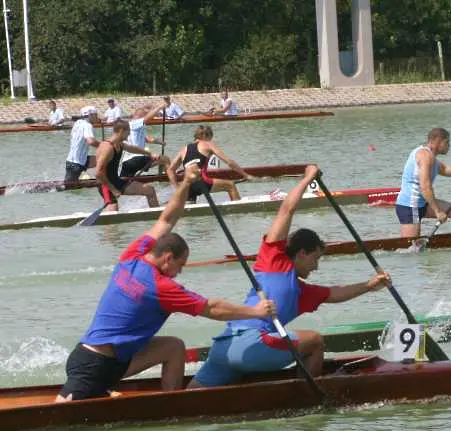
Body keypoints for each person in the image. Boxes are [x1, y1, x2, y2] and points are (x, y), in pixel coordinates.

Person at [55, 163, 276, 402]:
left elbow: (167, 218)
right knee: (58, 414)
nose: (178, 273)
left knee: (173, 347)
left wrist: (186, 183)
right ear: (168, 258)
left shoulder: (133, 255)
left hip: (114, 361)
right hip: (93, 366)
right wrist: (255, 310)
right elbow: (213, 308)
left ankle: (172, 404)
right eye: (180, 267)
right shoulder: (161, 287)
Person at [187, 165, 391, 388]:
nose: (316, 266)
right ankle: (304, 397)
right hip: (255, 344)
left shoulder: (302, 292)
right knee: (314, 341)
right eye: (316, 258)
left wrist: (370, 285)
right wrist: (307, 178)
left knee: (192, 393)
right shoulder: (274, 259)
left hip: (224, 348)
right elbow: (286, 210)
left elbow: (336, 293)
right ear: (301, 253)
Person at [395, 128, 451, 237]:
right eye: (447, 142)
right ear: (438, 141)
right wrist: (437, 211)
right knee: (410, 247)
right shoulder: (425, 156)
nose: (449, 146)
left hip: (422, 203)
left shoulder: (431, 156)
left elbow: (446, 170)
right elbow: (425, 187)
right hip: (410, 205)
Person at [166, 125, 256, 203]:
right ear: (206, 135)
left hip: (187, 186)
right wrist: (246, 175)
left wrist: (177, 188)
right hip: (202, 181)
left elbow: (170, 170)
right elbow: (229, 162)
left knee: (191, 211)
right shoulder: (208, 144)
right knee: (230, 185)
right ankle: (238, 214)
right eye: (210, 137)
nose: (211, 140)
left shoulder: (184, 149)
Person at [95, 120, 163, 211]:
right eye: (128, 132)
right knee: (113, 213)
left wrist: (150, 153)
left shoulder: (119, 144)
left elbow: (132, 149)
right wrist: (113, 190)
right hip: (106, 185)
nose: (129, 134)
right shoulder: (107, 148)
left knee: (149, 190)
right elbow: (98, 173)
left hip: (116, 181)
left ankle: (158, 218)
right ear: (122, 131)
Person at [119, 101, 172, 178]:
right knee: (165, 159)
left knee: (125, 182)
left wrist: (159, 142)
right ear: (138, 116)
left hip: (126, 162)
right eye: (143, 117)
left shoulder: (136, 127)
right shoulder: (134, 123)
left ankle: (161, 177)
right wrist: (159, 107)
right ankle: (167, 179)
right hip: (136, 159)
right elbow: (146, 119)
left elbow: (146, 138)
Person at [65, 106, 101, 182]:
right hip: (77, 164)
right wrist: (104, 146)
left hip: (72, 161)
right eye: (96, 115)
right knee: (69, 187)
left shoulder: (77, 123)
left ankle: (95, 178)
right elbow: (91, 141)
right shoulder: (87, 125)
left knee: (102, 159)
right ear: (90, 115)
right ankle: (89, 178)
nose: (97, 117)